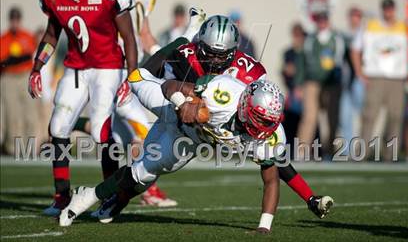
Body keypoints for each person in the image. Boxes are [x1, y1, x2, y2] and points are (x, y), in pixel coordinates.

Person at [91, 15, 328, 222]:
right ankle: (112, 201)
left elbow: (275, 160)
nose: (215, 60)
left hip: (202, 135)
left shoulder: (249, 74)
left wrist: (308, 197)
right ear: (199, 44)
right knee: (144, 169)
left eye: (221, 54)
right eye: (211, 53)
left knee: (147, 171)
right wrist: (181, 97)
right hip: (174, 114)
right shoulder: (187, 54)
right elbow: (159, 78)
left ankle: (108, 199)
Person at [59, 76, 334, 231]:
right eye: (259, 120)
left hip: (185, 140)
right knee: (136, 79)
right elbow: (172, 86)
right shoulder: (223, 94)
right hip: (170, 108)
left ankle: (87, 196)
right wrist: (184, 104)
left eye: (267, 123)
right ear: (245, 106)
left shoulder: (267, 135)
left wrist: (265, 226)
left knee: (140, 175)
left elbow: (273, 177)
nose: (262, 129)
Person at [28, 0, 138, 216]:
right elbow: (52, 34)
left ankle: (110, 194)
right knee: (58, 128)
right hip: (76, 68)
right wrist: (37, 67)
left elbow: (129, 37)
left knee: (102, 130)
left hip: (108, 68)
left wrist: (131, 76)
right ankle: (61, 196)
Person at [73, 0, 177, 208]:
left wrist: (167, 59)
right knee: (140, 132)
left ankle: (113, 191)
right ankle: (138, 190)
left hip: (131, 70)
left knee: (118, 135)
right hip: (106, 69)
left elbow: (143, 33)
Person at [352, 0, 408, 161]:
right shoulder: (371, 26)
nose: (388, 12)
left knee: (396, 117)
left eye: (390, 8)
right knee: (369, 116)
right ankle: (360, 154)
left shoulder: (403, 27)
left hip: (397, 78)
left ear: (394, 9)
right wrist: (359, 72)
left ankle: (391, 155)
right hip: (375, 77)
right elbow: (355, 49)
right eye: (385, 8)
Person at [296, 11, 346, 159]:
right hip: (312, 82)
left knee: (331, 118)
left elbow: (340, 61)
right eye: (320, 20)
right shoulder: (310, 39)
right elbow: (302, 63)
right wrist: (299, 84)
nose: (322, 23)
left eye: (324, 20)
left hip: (331, 84)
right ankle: (302, 152)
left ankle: (330, 151)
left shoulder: (337, 38)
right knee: (309, 117)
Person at [0, 7, 37, 155]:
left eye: (17, 19)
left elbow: (29, 55)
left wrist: (14, 59)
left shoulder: (27, 36)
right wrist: (15, 59)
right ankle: (13, 149)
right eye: (12, 19)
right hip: (9, 78)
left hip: (24, 76)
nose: (15, 22)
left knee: (30, 113)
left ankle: (31, 148)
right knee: (12, 115)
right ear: (10, 20)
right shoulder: (4, 38)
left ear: (19, 20)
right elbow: (4, 61)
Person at [339, 7, 365, 155]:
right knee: (345, 116)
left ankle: (363, 150)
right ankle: (347, 151)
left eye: (357, 16)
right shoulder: (344, 35)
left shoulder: (366, 34)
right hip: (347, 81)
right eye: (353, 16)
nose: (355, 19)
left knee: (364, 116)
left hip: (360, 80)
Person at [281, 23, 306, 151]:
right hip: (292, 91)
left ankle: (310, 150)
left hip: (304, 91)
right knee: (289, 120)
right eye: (295, 35)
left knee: (307, 121)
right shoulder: (289, 52)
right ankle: (288, 148)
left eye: (299, 35)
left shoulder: (306, 52)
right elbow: (286, 71)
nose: (297, 38)